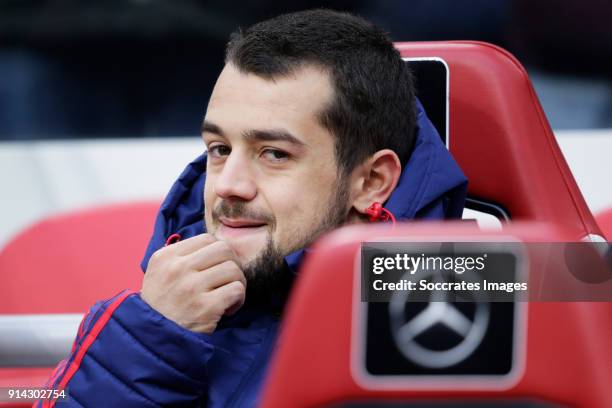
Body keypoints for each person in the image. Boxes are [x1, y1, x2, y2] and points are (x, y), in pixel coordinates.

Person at [38, 9, 467, 407]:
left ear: (371, 182)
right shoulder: (163, 309)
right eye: (220, 148)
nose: (227, 185)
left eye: (274, 154)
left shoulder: (473, 307)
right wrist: (152, 342)